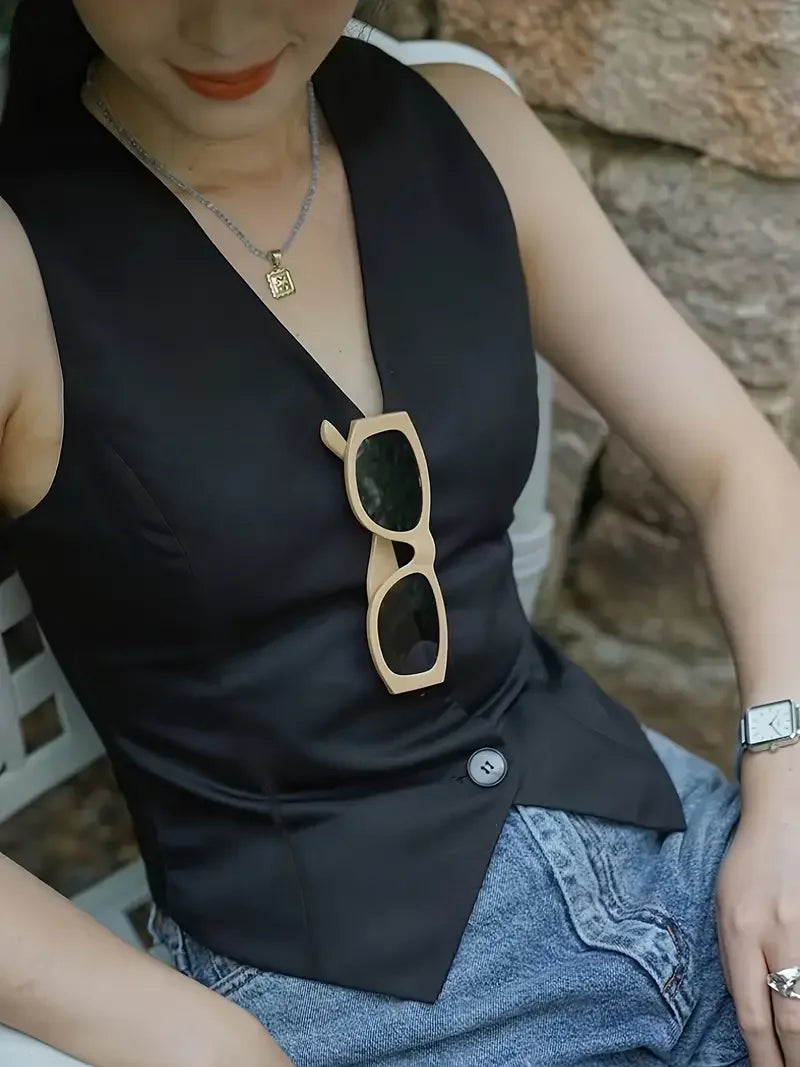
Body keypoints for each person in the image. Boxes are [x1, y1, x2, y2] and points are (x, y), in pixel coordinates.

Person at [0, 0, 799, 1064]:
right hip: (355, 1002)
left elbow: (737, 464)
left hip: (681, 853)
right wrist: (199, 1038)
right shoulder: (16, 264)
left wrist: (784, 786)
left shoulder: (465, 126)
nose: (226, 29)